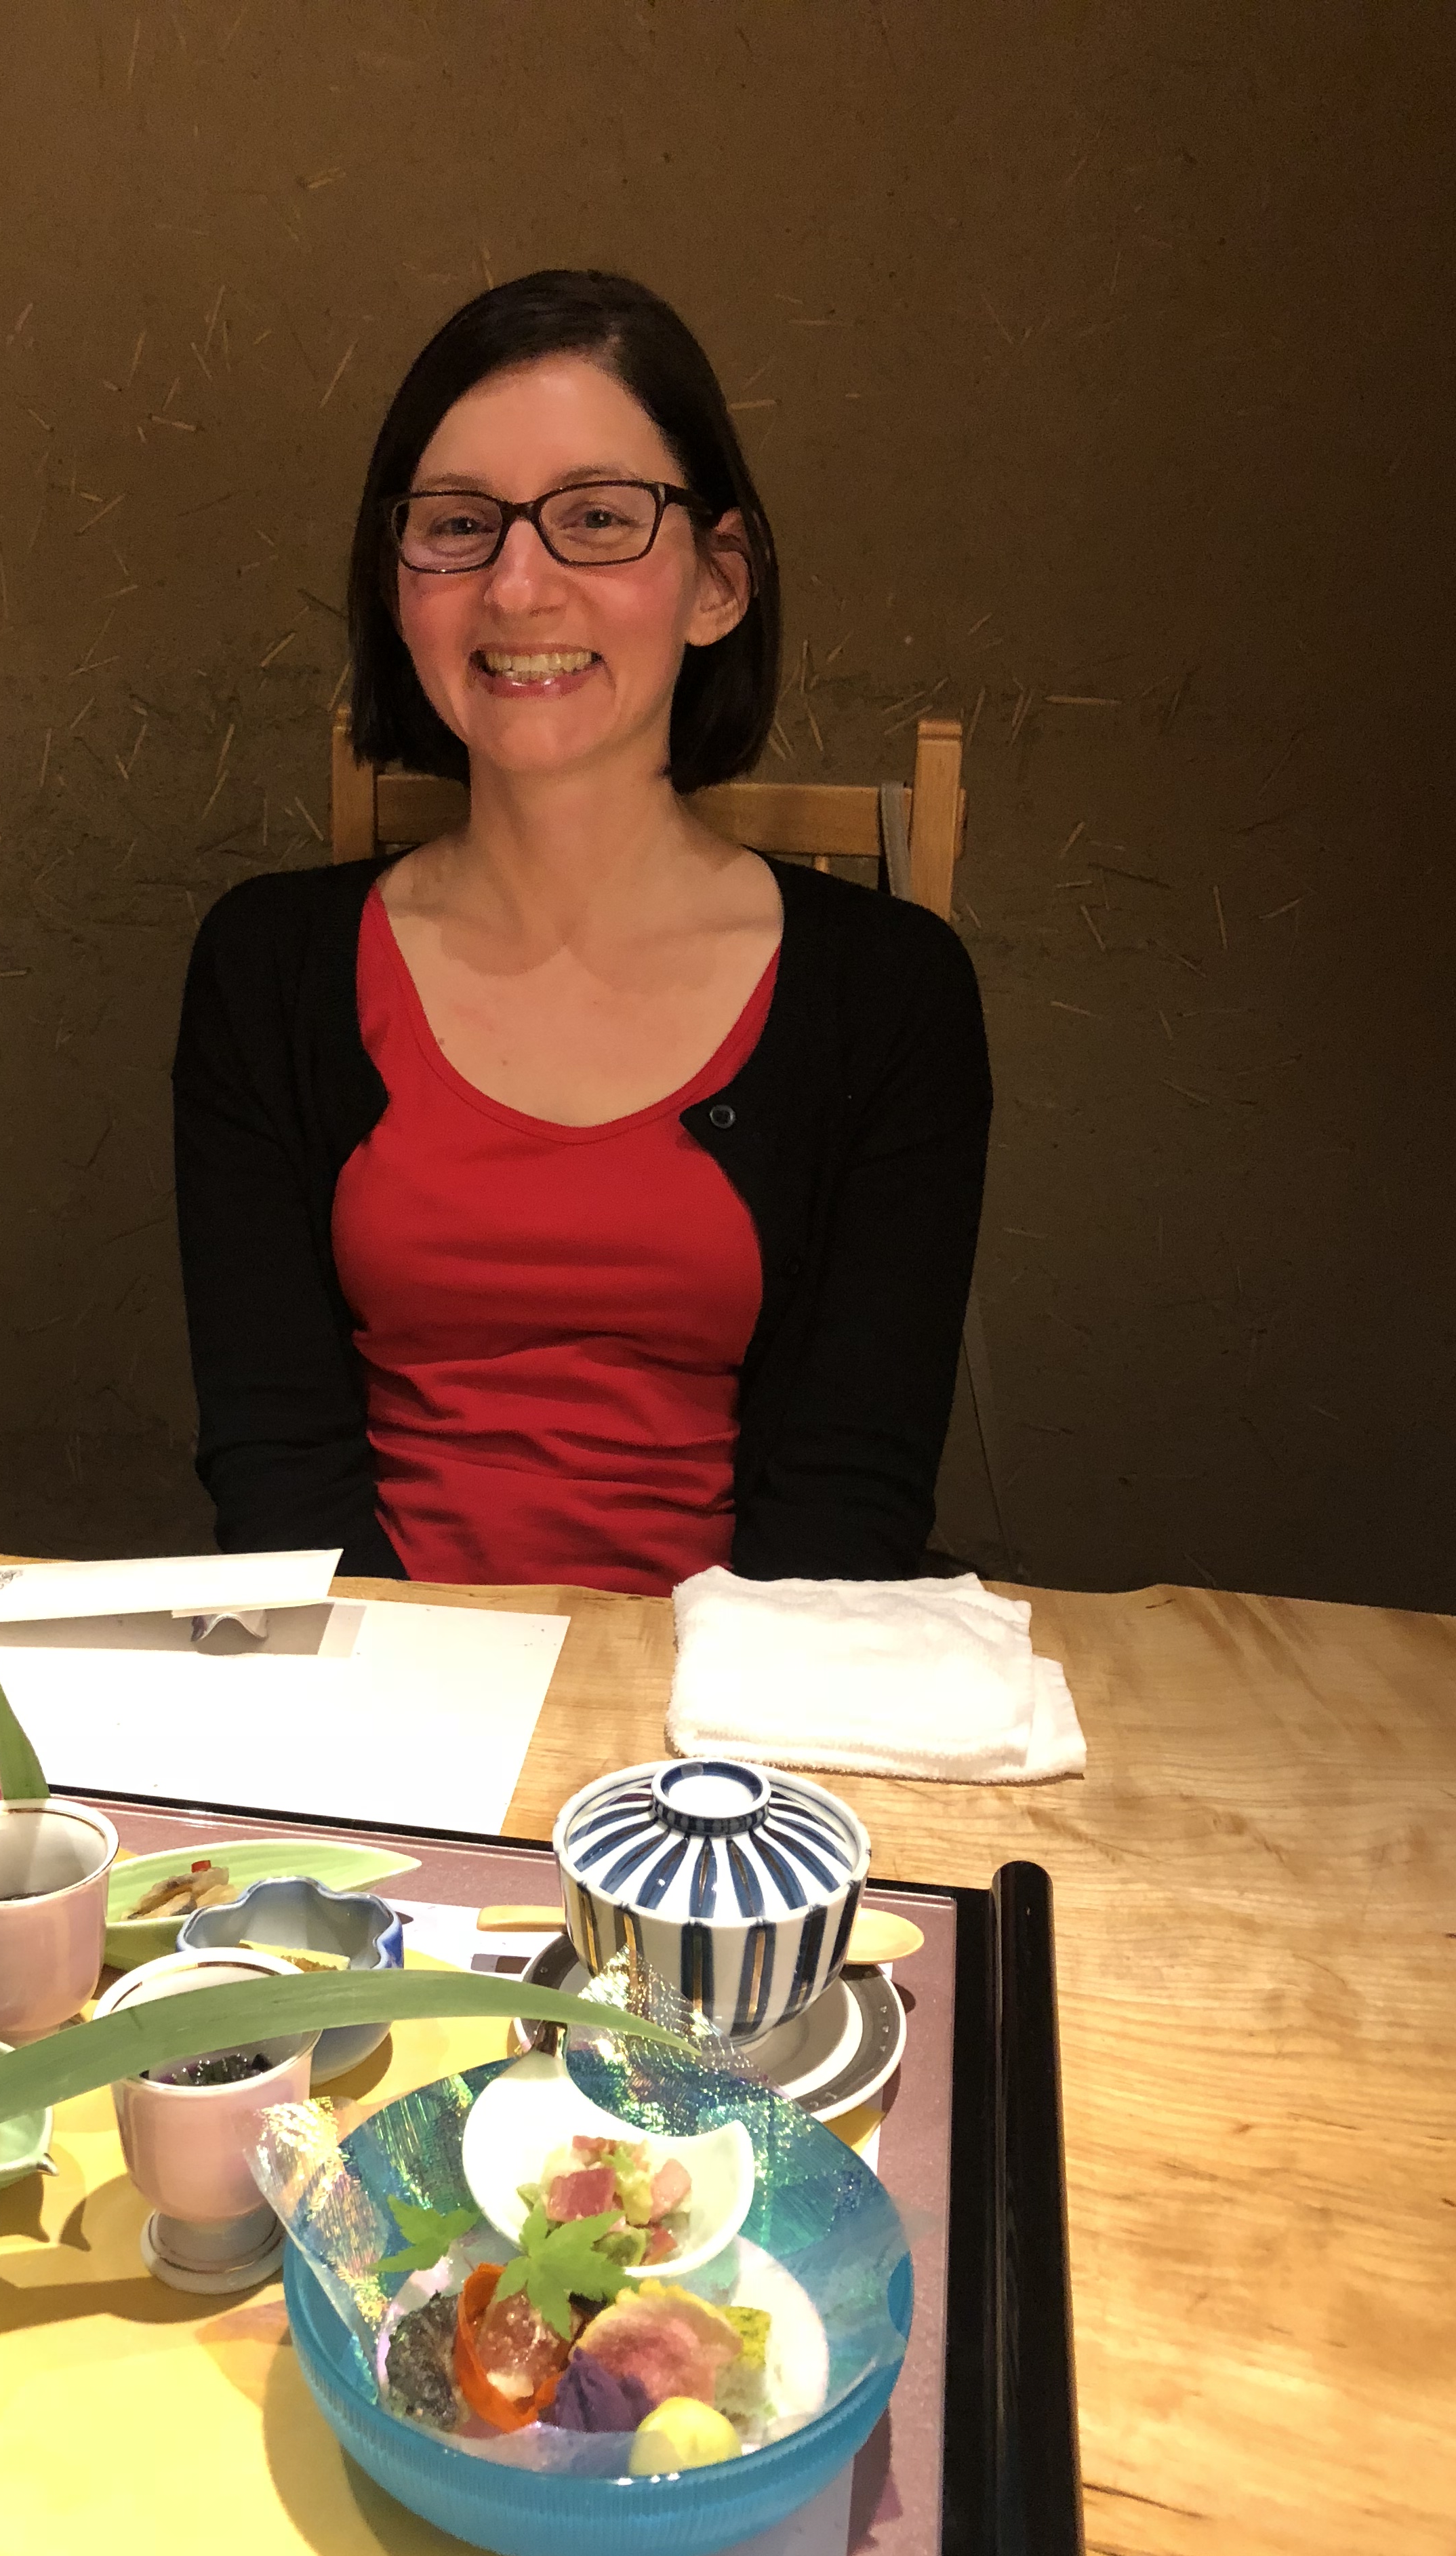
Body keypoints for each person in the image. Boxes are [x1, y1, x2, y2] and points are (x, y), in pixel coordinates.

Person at [173, 268, 990, 1599]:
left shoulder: (890, 996)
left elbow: (848, 1506)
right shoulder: (266, 971)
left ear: (718, 580)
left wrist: (665, 1720)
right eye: (458, 526)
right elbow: (276, 1471)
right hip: (375, 1671)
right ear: (398, 584)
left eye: (598, 519)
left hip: (739, 1693)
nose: (516, 587)